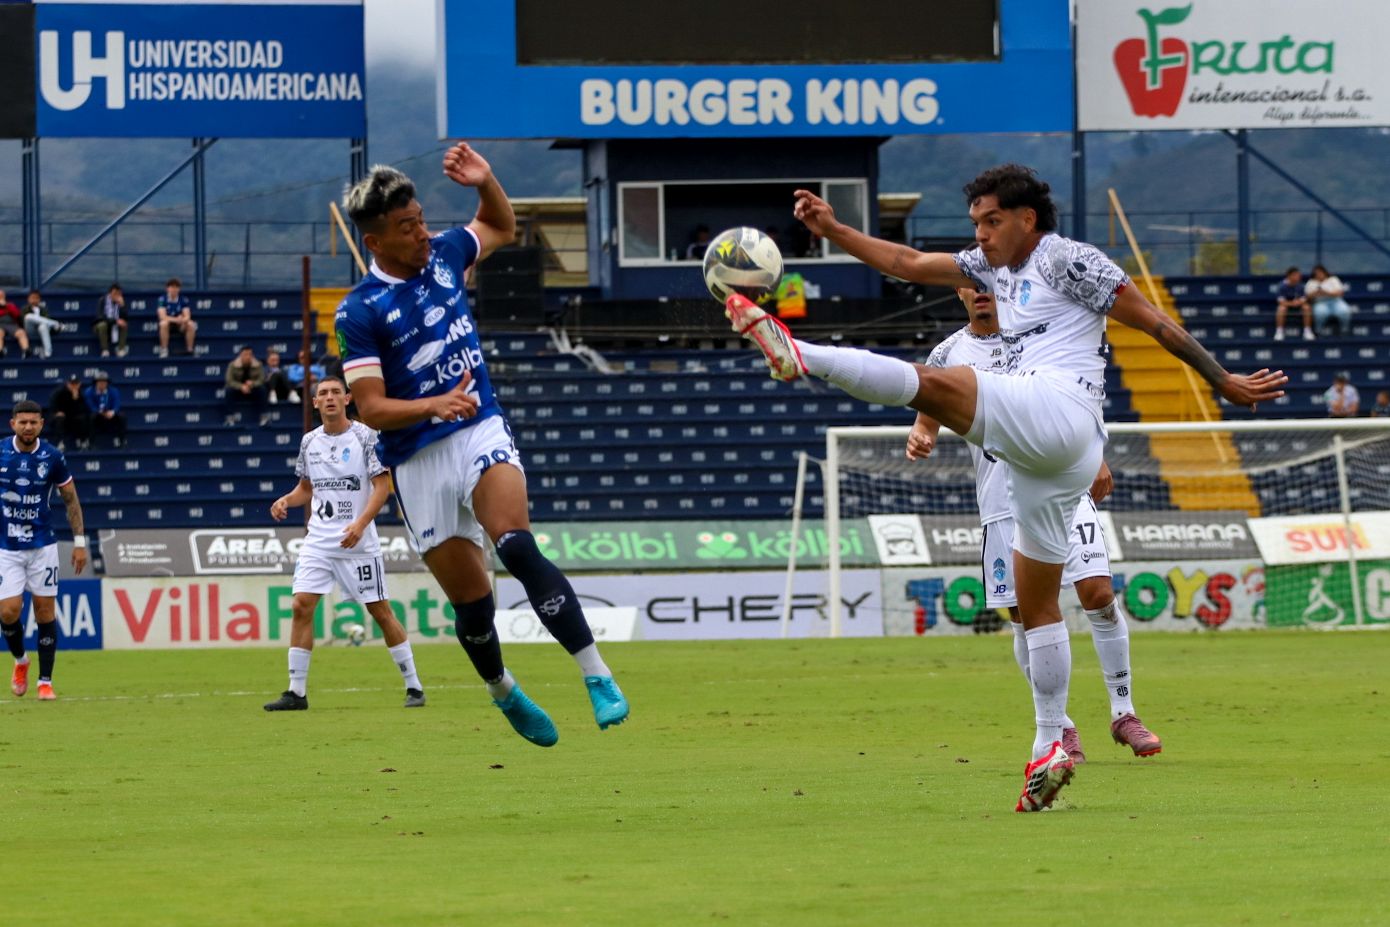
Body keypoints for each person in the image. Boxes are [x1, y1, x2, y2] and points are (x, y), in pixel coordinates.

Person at [729, 164, 1282, 810]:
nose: (982, 235)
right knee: (1037, 605)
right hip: (1043, 468)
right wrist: (833, 229)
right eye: (976, 224)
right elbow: (907, 261)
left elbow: (1155, 323)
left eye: (992, 221)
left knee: (944, 382)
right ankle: (1048, 745)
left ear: (1027, 218)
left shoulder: (1067, 260)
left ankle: (803, 356)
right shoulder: (989, 270)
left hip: (1065, 413)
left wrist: (1225, 380)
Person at [335, 145, 628, 747]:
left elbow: (499, 225)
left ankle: (596, 675)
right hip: (416, 459)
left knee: (517, 546)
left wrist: (487, 180)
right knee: (474, 608)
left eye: (420, 218)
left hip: (478, 428)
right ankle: (502, 690)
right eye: (406, 226)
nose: (421, 232)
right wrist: (430, 404)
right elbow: (370, 408)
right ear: (376, 241)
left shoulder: (445, 253)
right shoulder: (359, 311)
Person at [910, 287, 1161, 763]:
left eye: (989, 283)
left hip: (1061, 483)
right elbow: (928, 415)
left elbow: (1076, 395)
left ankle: (1124, 713)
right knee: (1025, 618)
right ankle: (1060, 726)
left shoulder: (1038, 334)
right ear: (960, 290)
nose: (981, 293)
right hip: (1001, 503)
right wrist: (922, 434)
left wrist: (1095, 452)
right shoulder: (947, 353)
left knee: (1099, 593)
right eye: (971, 284)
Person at [263, 376, 426, 711]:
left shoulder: (366, 436)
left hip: (358, 542)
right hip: (319, 539)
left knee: (379, 611)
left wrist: (361, 524)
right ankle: (296, 693)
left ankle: (414, 685)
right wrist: (286, 500)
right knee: (300, 606)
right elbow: (306, 489)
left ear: (348, 398)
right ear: (315, 403)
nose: (330, 397)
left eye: (336, 392)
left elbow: (381, 487)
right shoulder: (309, 442)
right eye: (323, 393)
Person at [0, 400, 88, 701]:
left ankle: (45, 681)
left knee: (45, 611)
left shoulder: (52, 457)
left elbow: (70, 499)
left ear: (41, 424)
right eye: (22, 422)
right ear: (13, 423)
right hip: (6, 546)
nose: (28, 427)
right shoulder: (0, 451)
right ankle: (21, 661)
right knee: (9, 611)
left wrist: (79, 543)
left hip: (42, 546)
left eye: (33, 422)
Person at [223, 345, 270, 427]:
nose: (248, 357)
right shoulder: (232, 365)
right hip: (238, 390)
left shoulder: (258, 364)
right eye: (245, 354)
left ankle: (264, 418)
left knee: (262, 389)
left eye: (250, 354)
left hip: (252, 389)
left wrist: (252, 384)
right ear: (241, 355)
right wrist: (241, 386)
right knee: (228, 390)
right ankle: (229, 418)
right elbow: (229, 380)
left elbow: (262, 379)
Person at [155, 277, 198, 358]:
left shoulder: (183, 299)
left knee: (191, 324)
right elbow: (162, 316)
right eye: (172, 287)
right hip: (169, 324)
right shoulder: (162, 299)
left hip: (180, 325)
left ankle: (190, 349)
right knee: (163, 324)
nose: (174, 289)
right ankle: (164, 349)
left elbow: (187, 316)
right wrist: (176, 320)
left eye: (176, 287)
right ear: (167, 288)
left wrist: (182, 320)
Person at [83, 370, 127, 447]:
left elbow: (117, 403)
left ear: (107, 383)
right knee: (91, 417)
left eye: (104, 382)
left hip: (110, 414)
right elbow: (90, 405)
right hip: (97, 414)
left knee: (122, 416)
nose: (102, 384)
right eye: (100, 382)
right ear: (96, 382)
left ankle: (122, 441)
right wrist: (99, 412)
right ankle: (91, 443)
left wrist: (113, 412)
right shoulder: (89, 391)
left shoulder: (114, 391)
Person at [1305, 264, 1353, 336]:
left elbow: (1339, 293)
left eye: (1320, 272)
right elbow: (1307, 296)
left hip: (1336, 301)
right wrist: (1316, 292)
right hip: (1320, 302)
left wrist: (1326, 292)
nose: (1319, 274)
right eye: (1317, 273)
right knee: (1321, 313)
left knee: (1344, 311)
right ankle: (1318, 330)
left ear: (1325, 272)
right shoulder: (1311, 282)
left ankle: (1344, 329)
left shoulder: (1333, 279)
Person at [47, 374, 91, 450]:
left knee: (83, 418)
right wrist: (57, 412)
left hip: (72, 419)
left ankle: (83, 442)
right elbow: (53, 406)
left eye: (76, 384)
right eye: (72, 384)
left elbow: (82, 410)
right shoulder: (59, 393)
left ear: (79, 384)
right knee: (59, 418)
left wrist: (75, 400)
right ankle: (60, 442)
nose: (74, 386)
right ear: (68, 384)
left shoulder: (81, 394)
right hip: (60, 418)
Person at [1273, 266, 1313, 342]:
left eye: (1298, 275)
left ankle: (1307, 331)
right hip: (1287, 305)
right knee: (1281, 308)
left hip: (1298, 305)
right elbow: (1280, 301)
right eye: (1296, 275)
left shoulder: (1300, 286)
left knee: (1307, 307)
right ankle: (1279, 331)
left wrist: (1298, 302)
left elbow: (1304, 298)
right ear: (1289, 276)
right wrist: (1292, 304)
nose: (1298, 277)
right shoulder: (1282, 286)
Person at [22, 289, 63, 360]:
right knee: (28, 316)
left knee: (43, 326)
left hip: (42, 331)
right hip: (30, 330)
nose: (34, 300)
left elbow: (46, 321)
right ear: (28, 299)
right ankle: (55, 323)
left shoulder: (43, 309)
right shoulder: (24, 309)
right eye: (32, 298)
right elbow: (23, 321)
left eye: (36, 298)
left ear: (39, 299)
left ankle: (48, 352)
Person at [92, 283, 129, 358]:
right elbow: (100, 316)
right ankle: (105, 350)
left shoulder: (121, 302)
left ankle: (121, 349)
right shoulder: (102, 300)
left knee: (124, 324)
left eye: (118, 294)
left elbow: (125, 318)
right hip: (102, 325)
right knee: (102, 325)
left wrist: (122, 306)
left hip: (115, 326)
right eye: (114, 293)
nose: (116, 296)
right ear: (110, 293)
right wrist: (115, 321)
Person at [0, 289, 30, 358]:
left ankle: (26, 350)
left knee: (21, 332)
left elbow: (17, 314)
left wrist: (6, 306)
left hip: (11, 324)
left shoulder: (10, 305)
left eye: (2, 295)